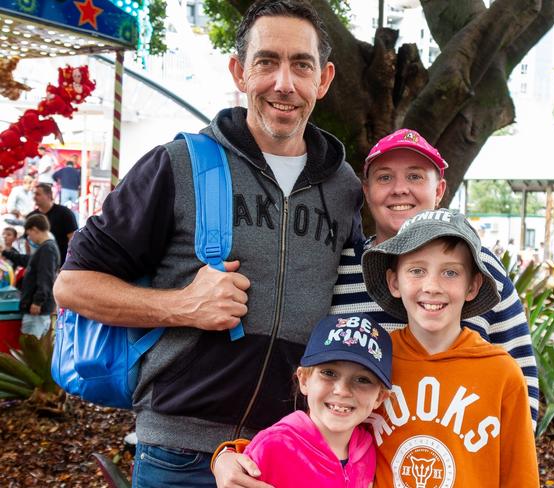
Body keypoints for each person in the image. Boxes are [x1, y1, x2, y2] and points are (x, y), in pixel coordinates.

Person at [53, 1, 362, 486]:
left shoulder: (344, 189)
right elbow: (71, 287)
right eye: (266, 62)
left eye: (301, 65)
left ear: (322, 80)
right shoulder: (175, 165)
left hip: (289, 450)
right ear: (240, 72)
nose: (284, 82)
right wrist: (181, 305)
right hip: (181, 454)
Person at [330, 128, 539, 425]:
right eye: (384, 177)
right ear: (367, 191)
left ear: (439, 190)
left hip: (459, 456)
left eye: (415, 176)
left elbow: (521, 383)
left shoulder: (481, 266)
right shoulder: (342, 268)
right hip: (360, 463)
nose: (399, 188)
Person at [362, 208, 539, 486]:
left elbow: (520, 478)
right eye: (417, 270)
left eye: (450, 272)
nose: (432, 286)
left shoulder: (501, 373)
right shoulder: (371, 361)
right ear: (394, 281)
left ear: (472, 286)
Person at [213, 313, 392, 487]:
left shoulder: (367, 449)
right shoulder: (273, 447)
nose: (342, 391)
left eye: (362, 379)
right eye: (329, 373)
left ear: (379, 397)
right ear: (304, 380)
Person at [1, 214, 59, 338]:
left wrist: (37, 302)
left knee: (31, 347)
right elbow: (27, 260)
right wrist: (5, 252)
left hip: (37, 312)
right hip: (36, 310)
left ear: (35, 230)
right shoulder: (45, 248)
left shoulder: (47, 249)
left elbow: (45, 277)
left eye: (29, 234)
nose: (29, 238)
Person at [27, 183, 77, 263]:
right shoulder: (31, 217)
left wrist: (69, 261)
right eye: (34, 194)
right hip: (38, 263)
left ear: (49, 195)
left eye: (38, 194)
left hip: (61, 262)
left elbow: (73, 238)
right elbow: (27, 241)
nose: (34, 197)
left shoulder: (64, 213)